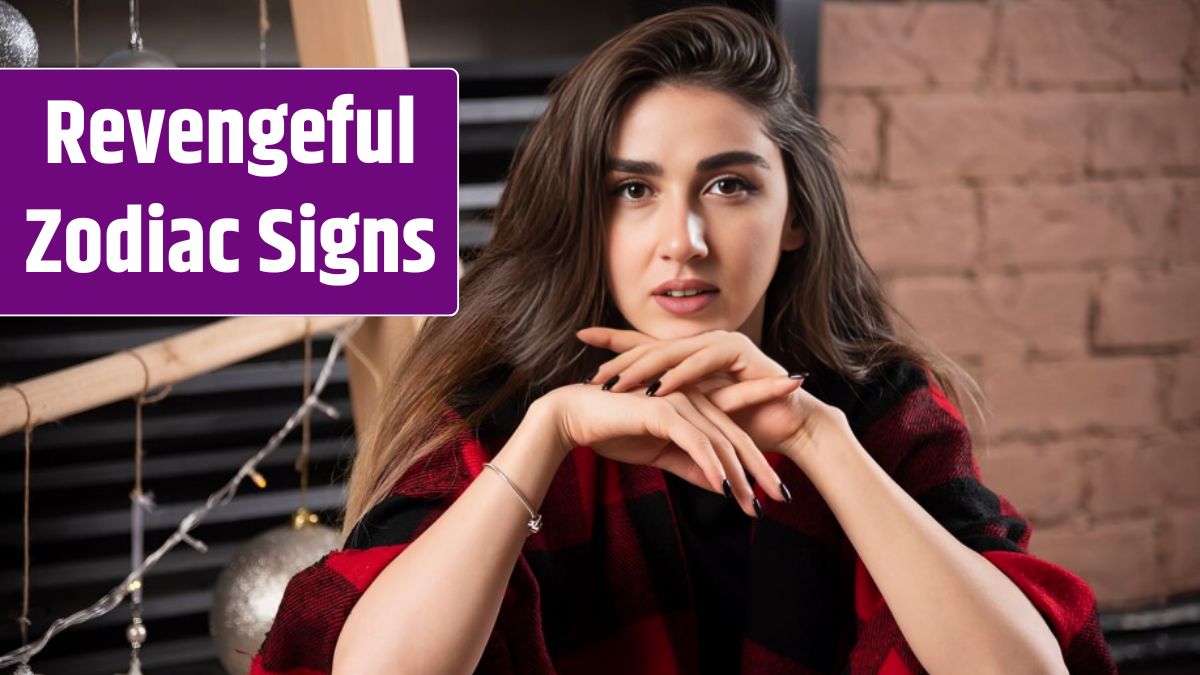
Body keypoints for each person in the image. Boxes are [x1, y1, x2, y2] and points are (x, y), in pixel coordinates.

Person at [251, 7, 1116, 674]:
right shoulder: (502, 407)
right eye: (633, 190)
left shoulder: (878, 404)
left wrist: (817, 438)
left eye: (729, 185)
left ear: (796, 220)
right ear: (586, 218)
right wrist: (549, 434)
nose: (684, 240)